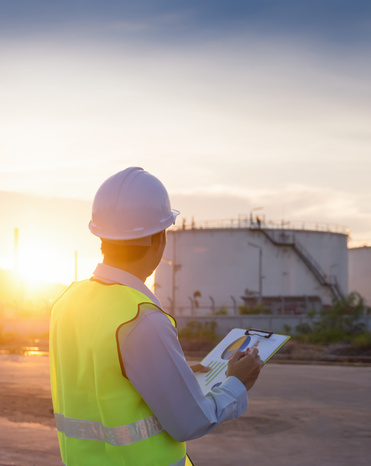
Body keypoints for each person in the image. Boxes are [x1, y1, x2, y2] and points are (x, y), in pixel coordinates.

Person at [49, 167, 264, 466]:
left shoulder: (69, 301)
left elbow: (100, 382)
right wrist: (236, 384)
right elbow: (191, 421)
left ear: (101, 237)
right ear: (158, 239)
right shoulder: (141, 319)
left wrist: (166, 374)